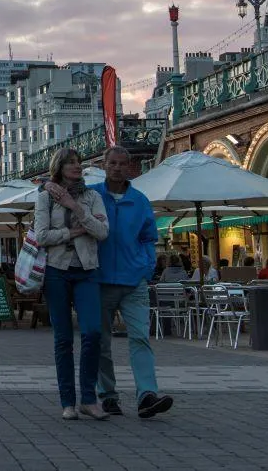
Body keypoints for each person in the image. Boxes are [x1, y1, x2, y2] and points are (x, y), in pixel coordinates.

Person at [91, 146, 174, 419]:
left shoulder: (139, 200)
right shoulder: (92, 196)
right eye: (112, 163)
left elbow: (149, 237)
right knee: (101, 342)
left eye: (122, 164)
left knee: (140, 337)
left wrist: (146, 269)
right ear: (104, 165)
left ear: (129, 167)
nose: (117, 168)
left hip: (134, 281)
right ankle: (107, 395)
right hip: (101, 280)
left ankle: (147, 395)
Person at [35, 148, 110, 421]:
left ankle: (88, 399)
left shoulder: (92, 197)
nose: (77, 166)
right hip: (57, 271)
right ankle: (68, 402)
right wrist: (76, 230)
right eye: (71, 163)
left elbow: (102, 232)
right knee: (64, 339)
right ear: (59, 167)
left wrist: (75, 206)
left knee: (92, 333)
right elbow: (42, 236)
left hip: (87, 270)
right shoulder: (45, 198)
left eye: (79, 162)